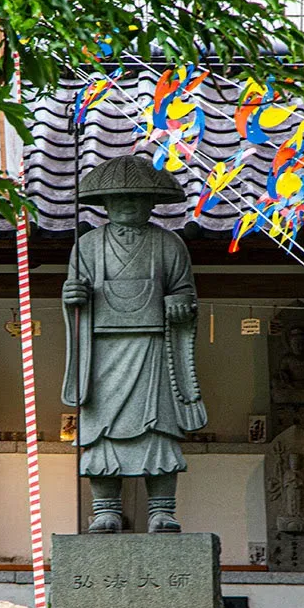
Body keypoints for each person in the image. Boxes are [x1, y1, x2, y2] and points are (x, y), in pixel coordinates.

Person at [62, 155, 206, 534]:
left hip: (153, 347)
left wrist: (180, 304)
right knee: (101, 430)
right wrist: (73, 297)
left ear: (151, 204)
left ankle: (162, 509)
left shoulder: (169, 244)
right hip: (102, 350)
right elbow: (74, 297)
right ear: (105, 205)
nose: (128, 205)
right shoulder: (88, 245)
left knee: (157, 429)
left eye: (137, 198)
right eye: (119, 198)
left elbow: (185, 291)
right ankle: (105, 507)